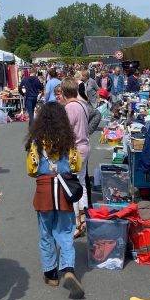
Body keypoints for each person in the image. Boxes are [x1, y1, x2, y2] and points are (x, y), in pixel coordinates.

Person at [25, 102, 85, 299]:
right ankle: (68, 269)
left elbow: (31, 169)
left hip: (44, 192)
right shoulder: (68, 141)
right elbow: (76, 165)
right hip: (64, 191)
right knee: (66, 232)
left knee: (46, 232)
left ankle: (50, 274)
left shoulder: (37, 142)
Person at [61, 77, 90, 238]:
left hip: (75, 149)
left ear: (64, 93)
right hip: (85, 146)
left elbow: (66, 130)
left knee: (71, 186)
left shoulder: (71, 107)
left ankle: (75, 223)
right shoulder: (82, 105)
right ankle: (83, 219)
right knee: (81, 184)